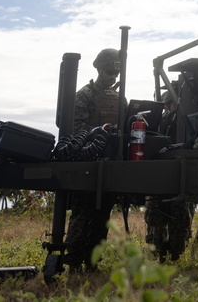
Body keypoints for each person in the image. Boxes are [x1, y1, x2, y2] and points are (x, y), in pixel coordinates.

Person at [64, 47, 121, 270]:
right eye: (108, 71)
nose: (112, 77)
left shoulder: (119, 98)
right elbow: (76, 128)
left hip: (109, 164)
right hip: (85, 163)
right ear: (98, 68)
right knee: (81, 213)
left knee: (102, 215)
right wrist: (100, 130)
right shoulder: (84, 96)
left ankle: (92, 262)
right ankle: (74, 262)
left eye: (115, 74)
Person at [144, 89, 193, 261]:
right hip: (160, 174)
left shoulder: (182, 120)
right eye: (169, 105)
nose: (171, 108)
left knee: (179, 218)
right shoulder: (162, 121)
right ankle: (159, 253)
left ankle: (175, 253)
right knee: (156, 220)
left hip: (175, 175)